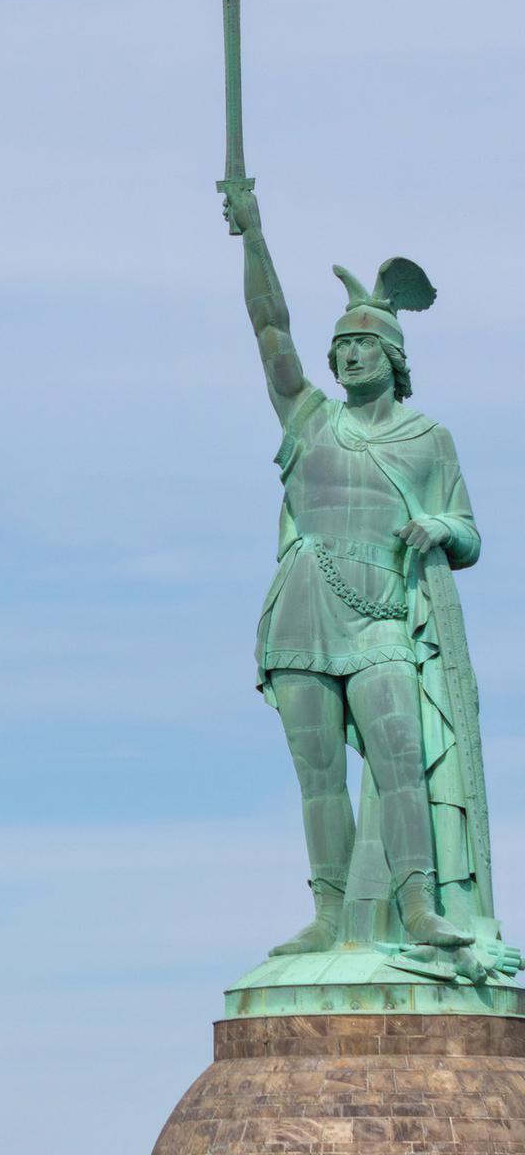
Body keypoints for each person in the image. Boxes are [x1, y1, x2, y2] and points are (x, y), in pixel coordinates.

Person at [223, 186, 478, 955]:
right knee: (320, 773)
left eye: (364, 343)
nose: (348, 353)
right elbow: (270, 326)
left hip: (379, 615)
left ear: (394, 357)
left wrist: (435, 525)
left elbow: (467, 534)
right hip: (303, 606)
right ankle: (331, 913)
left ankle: (419, 907)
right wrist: (254, 235)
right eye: (340, 346)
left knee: (401, 754)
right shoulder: (309, 419)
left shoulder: (430, 438)